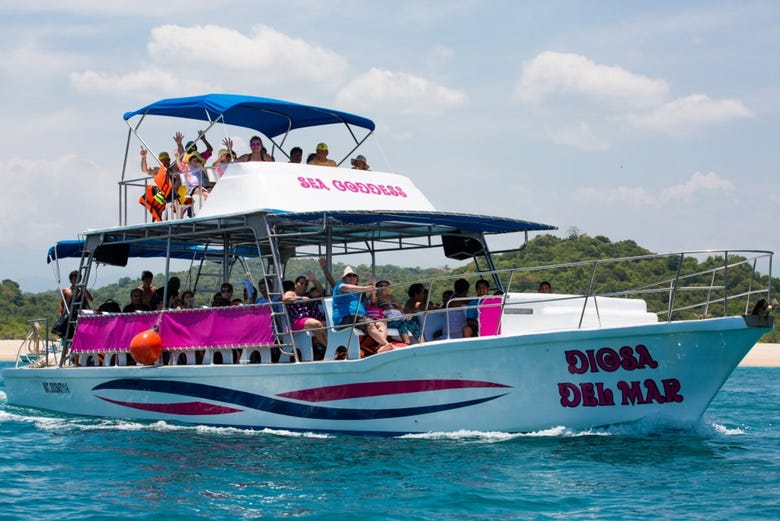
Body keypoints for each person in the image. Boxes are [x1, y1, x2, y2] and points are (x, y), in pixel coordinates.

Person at [331, 266, 391, 349]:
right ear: (344, 278)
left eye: (354, 275)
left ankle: (381, 346)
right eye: (349, 275)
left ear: (357, 279)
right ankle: (387, 345)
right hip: (345, 318)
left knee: (382, 322)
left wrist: (372, 289)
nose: (352, 277)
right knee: (369, 324)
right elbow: (344, 288)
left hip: (359, 317)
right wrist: (364, 288)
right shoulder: (340, 285)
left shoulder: (358, 292)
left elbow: (373, 302)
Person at [283, 276, 328, 351]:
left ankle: (321, 348)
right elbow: (285, 299)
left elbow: (320, 291)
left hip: (310, 320)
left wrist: (314, 280)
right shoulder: (291, 293)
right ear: (295, 285)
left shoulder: (309, 295)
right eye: (301, 283)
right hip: (297, 321)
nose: (304, 286)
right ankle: (330, 348)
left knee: (329, 324)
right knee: (316, 324)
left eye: (306, 284)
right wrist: (300, 299)